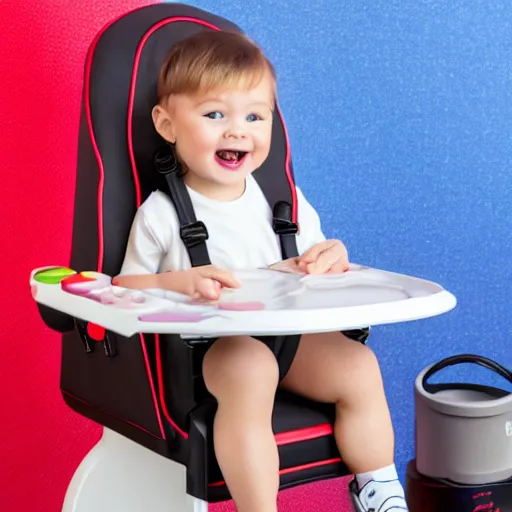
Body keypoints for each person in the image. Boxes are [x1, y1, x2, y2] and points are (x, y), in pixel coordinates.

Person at [113, 30, 408, 512]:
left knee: (358, 366)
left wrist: (330, 257)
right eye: (215, 115)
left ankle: (377, 489)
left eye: (255, 116)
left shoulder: (284, 202)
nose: (237, 131)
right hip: (212, 349)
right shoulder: (163, 214)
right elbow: (125, 286)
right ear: (167, 124)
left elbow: (319, 262)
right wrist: (175, 281)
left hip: (288, 341)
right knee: (250, 368)